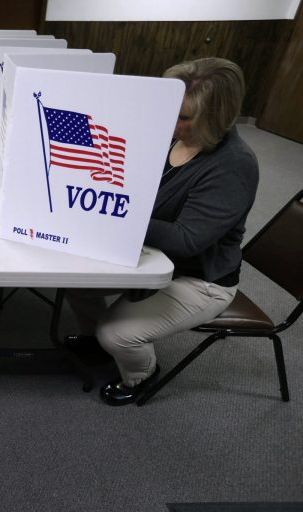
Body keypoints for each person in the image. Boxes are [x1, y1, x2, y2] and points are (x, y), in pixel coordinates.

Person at [65, 57, 259, 406]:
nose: (171, 121)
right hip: (153, 255)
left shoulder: (233, 166)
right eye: (169, 108)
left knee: (117, 334)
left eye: (183, 117)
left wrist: (114, 214)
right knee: (70, 277)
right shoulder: (169, 137)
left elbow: (187, 240)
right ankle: (93, 339)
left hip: (201, 280)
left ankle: (142, 375)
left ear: (214, 117)